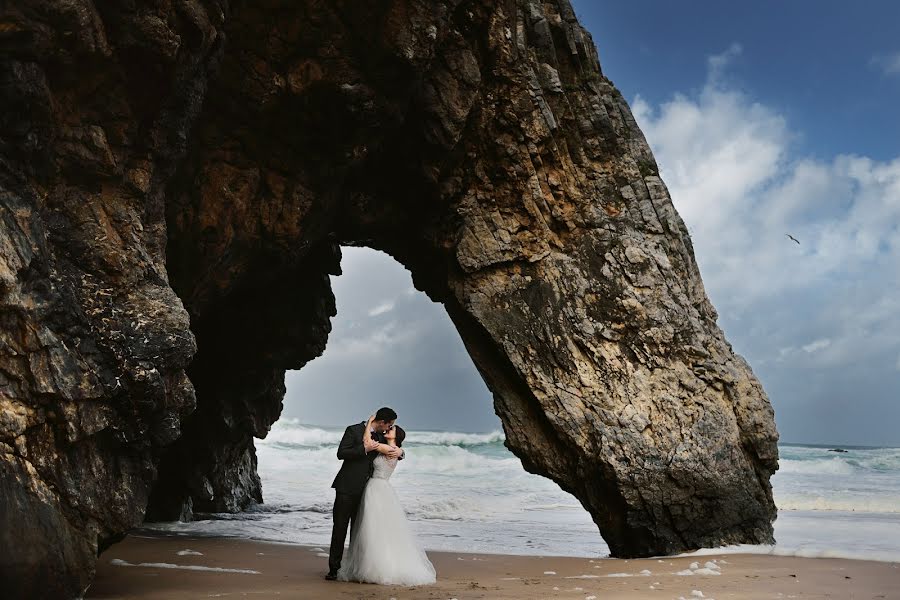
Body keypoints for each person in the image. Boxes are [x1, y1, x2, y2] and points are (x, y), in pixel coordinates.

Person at [336, 415, 436, 585]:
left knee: (372, 528)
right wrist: (402, 451)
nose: (390, 428)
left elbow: (368, 442)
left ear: (396, 437)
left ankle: (374, 566)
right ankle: (369, 563)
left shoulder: (390, 450)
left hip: (377, 489)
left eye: (393, 429)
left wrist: (369, 423)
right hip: (378, 489)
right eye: (390, 426)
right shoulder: (394, 450)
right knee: (377, 530)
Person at [326, 407, 403, 580]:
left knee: (359, 531)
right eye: (389, 424)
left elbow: (396, 445)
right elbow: (341, 453)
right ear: (382, 422)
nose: (389, 428)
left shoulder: (382, 436)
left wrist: (401, 452)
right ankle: (333, 569)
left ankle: (355, 568)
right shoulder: (353, 430)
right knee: (340, 528)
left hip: (368, 491)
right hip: (347, 487)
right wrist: (364, 448)